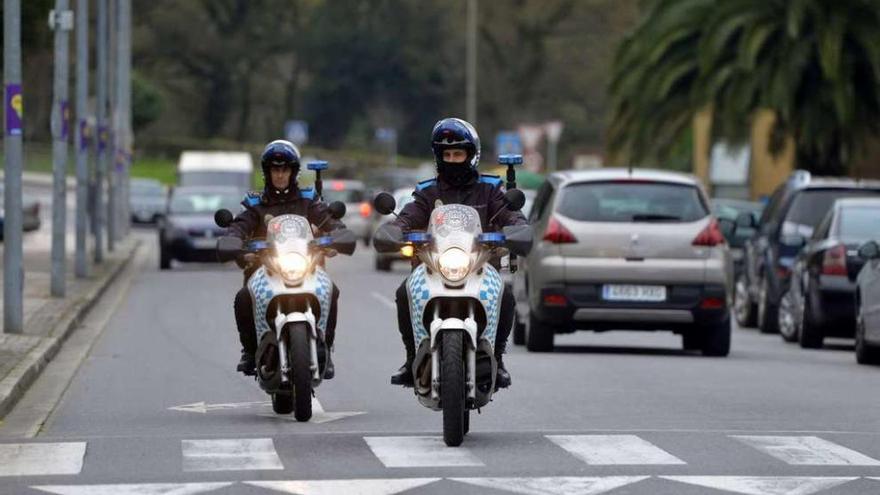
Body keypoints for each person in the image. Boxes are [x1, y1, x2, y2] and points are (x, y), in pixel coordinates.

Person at [375, 118, 527, 389]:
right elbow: (409, 215)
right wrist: (395, 229)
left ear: (472, 155)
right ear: (438, 156)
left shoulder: (490, 188)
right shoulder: (426, 191)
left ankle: (498, 358)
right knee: (403, 293)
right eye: (447, 154)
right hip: (434, 266)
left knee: (507, 296)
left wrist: (518, 227)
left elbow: (509, 213)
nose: (453, 159)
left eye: (459, 153)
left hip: (481, 266)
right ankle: (411, 358)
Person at [225, 140, 347, 377]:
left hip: (305, 267)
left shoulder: (308, 199)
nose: (280, 175)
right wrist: (234, 240)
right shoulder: (255, 203)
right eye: (275, 169)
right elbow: (240, 226)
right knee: (242, 298)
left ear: (293, 172)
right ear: (267, 172)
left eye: (285, 169)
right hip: (264, 268)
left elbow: (327, 220)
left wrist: (339, 233)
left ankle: (325, 347)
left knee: (332, 290)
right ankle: (250, 351)